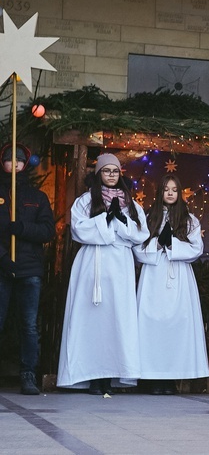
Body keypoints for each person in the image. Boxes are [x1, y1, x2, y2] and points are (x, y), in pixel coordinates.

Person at [57, 153, 149, 394]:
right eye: (106, 171)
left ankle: (110, 375)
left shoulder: (131, 203)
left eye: (115, 171)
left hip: (119, 265)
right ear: (98, 174)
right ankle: (90, 376)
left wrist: (120, 220)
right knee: (90, 319)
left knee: (116, 320)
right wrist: (105, 221)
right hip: (92, 262)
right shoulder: (86, 201)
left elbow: (141, 233)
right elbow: (79, 229)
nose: (111, 175)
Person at [134, 175, 208, 395]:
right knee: (151, 324)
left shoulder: (190, 219)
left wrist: (173, 244)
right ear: (160, 192)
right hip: (153, 275)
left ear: (179, 193)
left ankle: (171, 379)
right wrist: (157, 244)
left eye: (174, 190)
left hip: (178, 276)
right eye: (166, 189)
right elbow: (137, 247)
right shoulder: (149, 217)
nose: (170, 193)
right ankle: (150, 378)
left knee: (176, 324)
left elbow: (196, 249)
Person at [0, 144, 54, 395]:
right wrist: (2, 257)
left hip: (29, 269)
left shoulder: (37, 197)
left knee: (29, 325)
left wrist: (21, 228)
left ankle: (28, 374)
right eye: (10, 159)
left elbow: (47, 231)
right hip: (2, 268)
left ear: (25, 164)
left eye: (19, 160)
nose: (15, 164)